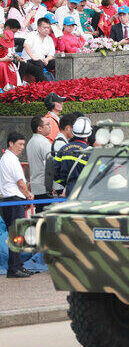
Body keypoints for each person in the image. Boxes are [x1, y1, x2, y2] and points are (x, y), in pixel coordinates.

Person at [1, 131, 33, 278]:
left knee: (15, 235)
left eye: (23, 145)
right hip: (14, 200)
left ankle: (16, 266)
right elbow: (20, 183)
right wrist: (28, 195)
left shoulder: (4, 159)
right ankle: (15, 268)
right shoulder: (11, 159)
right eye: (19, 144)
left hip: (8, 201)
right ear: (11, 144)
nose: (22, 148)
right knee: (18, 236)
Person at [54, 116, 92, 197]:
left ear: (73, 131)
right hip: (86, 191)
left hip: (68, 190)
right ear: (88, 135)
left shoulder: (63, 149)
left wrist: (66, 184)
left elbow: (55, 172)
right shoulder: (91, 152)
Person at [26, 116, 51, 205]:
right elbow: (50, 165)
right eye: (47, 124)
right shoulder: (44, 142)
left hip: (35, 186)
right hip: (45, 186)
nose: (50, 126)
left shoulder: (30, 142)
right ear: (39, 128)